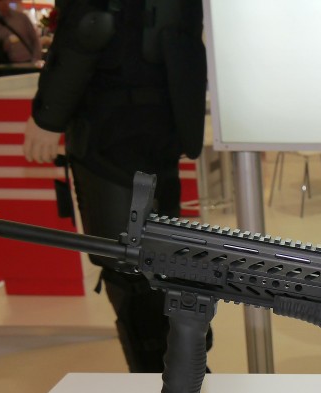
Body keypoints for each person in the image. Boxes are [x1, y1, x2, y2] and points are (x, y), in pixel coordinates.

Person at [23, 0, 209, 373]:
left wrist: (48, 115)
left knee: (130, 266)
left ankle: (162, 382)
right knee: (159, 261)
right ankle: (183, 376)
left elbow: (89, 27)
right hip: (160, 123)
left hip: (111, 132)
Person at [0, 0, 42, 67]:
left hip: (28, 61)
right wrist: (0, 47)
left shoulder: (22, 17)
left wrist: (36, 58)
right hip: (8, 64)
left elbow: (35, 39)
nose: (3, 2)